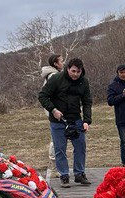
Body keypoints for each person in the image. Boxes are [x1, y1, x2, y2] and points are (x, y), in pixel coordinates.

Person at [38, 57, 92, 187]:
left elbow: (87, 102)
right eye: (73, 71)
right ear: (68, 69)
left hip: (75, 118)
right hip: (58, 120)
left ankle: (79, 173)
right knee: (60, 148)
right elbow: (42, 96)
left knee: (80, 146)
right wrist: (53, 110)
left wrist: (86, 121)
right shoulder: (56, 79)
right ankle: (64, 175)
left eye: (78, 72)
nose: (75, 74)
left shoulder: (83, 82)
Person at [42, 55, 63, 162]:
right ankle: (54, 161)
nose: (63, 63)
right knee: (56, 138)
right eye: (61, 61)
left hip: (53, 109)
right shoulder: (53, 76)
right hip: (54, 110)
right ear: (55, 63)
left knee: (57, 137)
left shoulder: (53, 74)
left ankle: (55, 160)